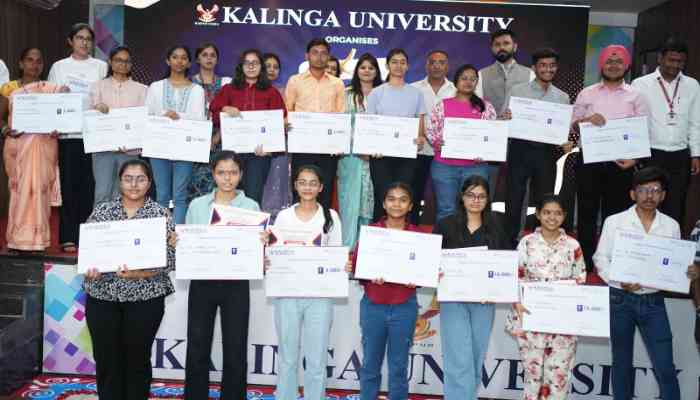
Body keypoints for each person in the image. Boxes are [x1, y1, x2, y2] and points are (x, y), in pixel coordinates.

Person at [593, 166, 699, 400]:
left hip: (653, 300)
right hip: (619, 299)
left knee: (665, 365)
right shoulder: (615, 221)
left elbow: (673, 266)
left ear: (663, 195)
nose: (649, 195)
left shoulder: (671, 225)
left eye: (655, 190)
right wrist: (618, 280)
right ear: (633, 194)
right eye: (643, 190)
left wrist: (687, 272)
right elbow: (600, 258)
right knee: (621, 362)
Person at [82, 159, 175, 400]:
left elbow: (170, 260)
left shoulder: (161, 215)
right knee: (106, 359)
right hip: (103, 297)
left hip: (145, 300)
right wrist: (91, 268)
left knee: (137, 360)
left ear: (149, 183)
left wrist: (139, 273)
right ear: (119, 181)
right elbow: (88, 252)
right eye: (128, 179)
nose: (134, 184)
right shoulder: (102, 212)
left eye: (141, 179)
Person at [184, 151, 261, 400]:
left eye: (233, 173)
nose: (227, 178)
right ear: (213, 174)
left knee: (236, 347)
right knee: (197, 345)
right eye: (221, 173)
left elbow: (255, 250)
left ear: (241, 174)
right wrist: (180, 242)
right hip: (202, 282)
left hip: (236, 284)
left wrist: (262, 243)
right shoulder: (197, 205)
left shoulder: (251, 207)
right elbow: (189, 245)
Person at [432, 175, 509, 399]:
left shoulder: (497, 225)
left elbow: (505, 263)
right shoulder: (445, 224)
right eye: (471, 195)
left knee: (475, 356)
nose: (476, 200)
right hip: (453, 300)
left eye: (481, 196)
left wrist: (497, 290)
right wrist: (436, 271)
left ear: (488, 199)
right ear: (462, 197)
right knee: (458, 357)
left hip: (484, 301)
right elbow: (431, 260)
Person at [572, 44, 649, 270]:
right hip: (589, 161)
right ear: (601, 65)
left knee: (615, 215)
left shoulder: (636, 95)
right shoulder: (587, 93)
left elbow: (644, 130)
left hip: (621, 164)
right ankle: (585, 262)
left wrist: (635, 160)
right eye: (609, 61)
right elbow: (573, 125)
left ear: (626, 66)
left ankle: (612, 262)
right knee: (586, 212)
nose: (613, 65)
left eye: (618, 62)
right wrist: (587, 120)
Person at [271, 164, 342, 400]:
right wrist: (268, 258)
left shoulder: (331, 217)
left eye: (313, 183)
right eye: (302, 182)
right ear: (295, 185)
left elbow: (336, 255)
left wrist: (342, 266)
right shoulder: (284, 216)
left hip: (319, 296)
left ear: (321, 187)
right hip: (287, 294)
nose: (307, 187)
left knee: (317, 359)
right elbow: (276, 252)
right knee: (288, 358)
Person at [506, 194, 587, 399]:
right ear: (538, 214)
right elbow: (514, 277)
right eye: (547, 212)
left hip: (563, 324)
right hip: (530, 320)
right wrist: (517, 303)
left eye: (558, 213)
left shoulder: (573, 246)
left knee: (558, 381)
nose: (552, 217)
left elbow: (580, 279)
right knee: (532, 379)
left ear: (564, 216)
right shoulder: (526, 243)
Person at [349, 182, 419, 400]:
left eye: (403, 200)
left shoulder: (419, 236)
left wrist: (417, 280)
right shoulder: (371, 233)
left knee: (398, 367)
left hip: (404, 306)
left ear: (410, 206)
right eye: (391, 199)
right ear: (384, 203)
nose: (397, 204)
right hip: (374, 305)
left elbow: (424, 271)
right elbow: (358, 268)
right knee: (370, 365)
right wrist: (364, 272)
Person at [502, 48, 572, 245]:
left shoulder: (562, 97)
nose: (548, 69)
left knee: (544, 200)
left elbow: (563, 130)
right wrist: (506, 117)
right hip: (520, 149)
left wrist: (565, 142)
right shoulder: (517, 90)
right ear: (534, 68)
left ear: (556, 68)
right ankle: (509, 242)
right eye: (543, 65)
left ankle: (539, 242)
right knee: (514, 198)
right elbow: (503, 119)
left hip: (547, 153)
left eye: (552, 65)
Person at [48, 22, 107, 253]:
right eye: (80, 38)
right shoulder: (59, 67)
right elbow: (50, 99)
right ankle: (68, 236)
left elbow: (106, 95)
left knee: (90, 187)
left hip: (94, 135)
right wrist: (59, 94)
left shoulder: (101, 67)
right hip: (68, 134)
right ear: (70, 41)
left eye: (88, 39)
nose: (84, 42)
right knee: (69, 186)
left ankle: (88, 235)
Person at [632, 37, 700, 224]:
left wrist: (696, 154)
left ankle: (671, 242)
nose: (675, 65)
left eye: (680, 61)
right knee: (647, 202)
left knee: (676, 204)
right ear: (660, 58)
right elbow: (634, 121)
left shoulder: (692, 85)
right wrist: (635, 153)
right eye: (671, 60)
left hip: (680, 155)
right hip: (650, 153)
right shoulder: (640, 84)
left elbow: (695, 122)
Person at [1, 48, 61, 252]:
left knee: (40, 192)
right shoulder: (9, 88)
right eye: (29, 60)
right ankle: (17, 240)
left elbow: (60, 116)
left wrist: (58, 127)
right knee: (19, 192)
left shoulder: (50, 90)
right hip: (18, 147)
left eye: (38, 61)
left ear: (43, 65)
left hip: (44, 145)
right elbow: (1, 117)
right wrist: (6, 130)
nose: (34, 65)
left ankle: (38, 241)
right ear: (21, 63)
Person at [210, 49, 287, 204]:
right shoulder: (229, 89)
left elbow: (279, 122)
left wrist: (270, 149)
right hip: (232, 152)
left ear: (261, 66)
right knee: (229, 194)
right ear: (241, 66)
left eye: (255, 63)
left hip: (259, 154)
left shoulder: (271, 92)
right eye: (247, 63)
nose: (251, 66)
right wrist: (225, 108)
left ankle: (251, 221)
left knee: (253, 196)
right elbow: (214, 113)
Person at [427, 64, 497, 222]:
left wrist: (487, 152)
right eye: (464, 78)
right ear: (456, 81)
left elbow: (492, 136)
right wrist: (437, 142)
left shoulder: (486, 107)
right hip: (444, 166)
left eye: (473, 79)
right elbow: (431, 131)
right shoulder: (442, 105)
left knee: (474, 212)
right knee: (446, 210)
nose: (468, 82)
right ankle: (445, 239)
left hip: (476, 167)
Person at [145, 45, 206, 224]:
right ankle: (161, 234)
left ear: (189, 63)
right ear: (168, 60)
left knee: (180, 195)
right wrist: (163, 117)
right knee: (162, 194)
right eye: (175, 57)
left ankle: (176, 236)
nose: (179, 61)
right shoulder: (155, 87)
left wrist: (179, 117)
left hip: (185, 148)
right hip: (159, 146)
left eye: (183, 58)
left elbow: (200, 120)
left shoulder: (197, 90)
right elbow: (147, 116)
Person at [367, 48, 427, 221]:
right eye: (394, 62)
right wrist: (372, 147)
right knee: (382, 196)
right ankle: (378, 233)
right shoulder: (376, 92)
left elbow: (420, 123)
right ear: (387, 66)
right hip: (380, 156)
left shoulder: (416, 93)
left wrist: (420, 139)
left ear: (407, 66)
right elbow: (369, 125)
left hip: (406, 155)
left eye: (402, 62)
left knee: (403, 197)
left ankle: (401, 235)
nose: (398, 66)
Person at [285, 38, 345, 209]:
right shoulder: (295, 81)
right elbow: (287, 111)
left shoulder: (337, 83)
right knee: (300, 189)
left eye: (324, 53)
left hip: (328, 148)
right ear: (307, 56)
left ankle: (323, 225)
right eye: (315, 53)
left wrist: (339, 141)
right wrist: (287, 124)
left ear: (328, 57)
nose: (319, 57)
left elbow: (341, 116)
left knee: (325, 191)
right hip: (302, 146)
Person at [477, 29, 534, 197]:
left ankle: (517, 216)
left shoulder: (530, 74)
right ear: (492, 48)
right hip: (490, 139)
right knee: (485, 188)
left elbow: (533, 109)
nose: (501, 47)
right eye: (497, 44)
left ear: (515, 47)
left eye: (506, 43)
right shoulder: (481, 74)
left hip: (519, 140)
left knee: (518, 190)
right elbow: (478, 110)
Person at [90, 45, 147, 206]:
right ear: (110, 62)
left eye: (127, 61)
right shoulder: (97, 86)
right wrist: (96, 108)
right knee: (102, 193)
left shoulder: (141, 89)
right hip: (103, 149)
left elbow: (143, 121)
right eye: (118, 60)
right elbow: (88, 117)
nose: (123, 64)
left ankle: (125, 223)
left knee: (127, 193)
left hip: (129, 150)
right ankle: (101, 223)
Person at [337, 52, 380, 248]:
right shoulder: (346, 94)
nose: (367, 71)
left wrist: (372, 149)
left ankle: (365, 250)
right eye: (363, 67)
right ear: (357, 70)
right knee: (349, 203)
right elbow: (340, 124)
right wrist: (357, 146)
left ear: (377, 71)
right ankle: (347, 249)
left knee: (369, 204)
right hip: (350, 157)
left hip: (375, 158)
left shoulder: (382, 94)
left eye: (371, 67)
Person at [410, 50, 456, 224]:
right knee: (414, 193)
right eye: (433, 62)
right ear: (426, 65)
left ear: (448, 66)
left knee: (446, 198)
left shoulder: (456, 90)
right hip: (419, 150)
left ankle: (446, 233)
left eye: (441, 62)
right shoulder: (413, 88)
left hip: (446, 152)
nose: (437, 66)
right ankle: (412, 227)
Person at [189, 42, 232, 202]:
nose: (209, 58)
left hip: (220, 140)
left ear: (217, 60)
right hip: (194, 141)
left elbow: (230, 115)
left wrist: (216, 137)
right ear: (197, 59)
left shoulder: (226, 84)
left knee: (219, 183)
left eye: (212, 55)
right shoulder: (188, 83)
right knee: (194, 184)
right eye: (204, 55)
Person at [261, 52, 292, 218]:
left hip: (279, 144)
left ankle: (276, 220)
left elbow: (289, 115)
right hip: (256, 145)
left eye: (276, 67)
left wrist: (287, 123)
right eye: (268, 66)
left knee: (278, 180)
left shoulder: (284, 91)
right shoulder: (252, 90)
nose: (272, 70)